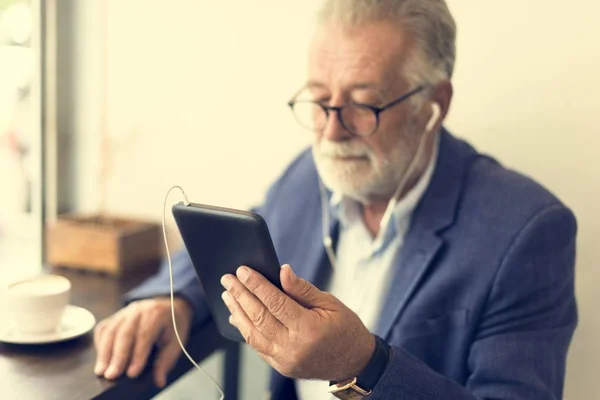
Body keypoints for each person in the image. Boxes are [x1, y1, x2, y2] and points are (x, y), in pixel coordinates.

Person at [93, 1, 578, 399]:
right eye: (320, 100)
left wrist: (363, 365)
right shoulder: (313, 175)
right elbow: (235, 252)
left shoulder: (528, 230)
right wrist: (169, 299)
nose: (330, 131)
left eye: (362, 105)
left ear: (435, 104)